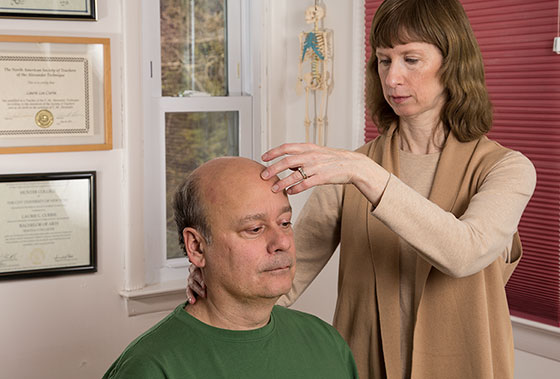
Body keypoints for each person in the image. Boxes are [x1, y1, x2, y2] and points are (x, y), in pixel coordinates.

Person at [187, 0, 537, 378]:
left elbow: (464, 253)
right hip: (363, 366)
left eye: (411, 59)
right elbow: (289, 272)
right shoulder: (353, 171)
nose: (392, 78)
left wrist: (367, 174)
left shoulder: (506, 168)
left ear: (453, 62)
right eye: (384, 61)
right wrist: (219, 286)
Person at [103, 157, 358, 379]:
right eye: (254, 229)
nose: (282, 242)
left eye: (285, 222)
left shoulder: (327, 343)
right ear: (197, 248)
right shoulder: (150, 369)